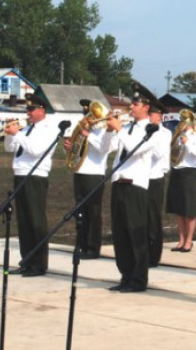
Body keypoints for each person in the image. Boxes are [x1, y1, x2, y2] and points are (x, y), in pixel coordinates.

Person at [103, 81, 161, 293]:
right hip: (119, 182)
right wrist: (110, 132)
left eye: (135, 103)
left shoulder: (152, 129)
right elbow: (106, 148)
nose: (131, 107)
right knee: (120, 234)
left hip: (135, 186)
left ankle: (138, 279)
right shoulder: (125, 128)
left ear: (146, 107)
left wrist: (118, 130)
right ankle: (125, 275)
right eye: (132, 103)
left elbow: (135, 149)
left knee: (136, 235)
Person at [3, 87, 59, 278]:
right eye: (27, 110)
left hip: (36, 177)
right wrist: (10, 134)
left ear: (42, 110)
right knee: (24, 222)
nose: (28, 113)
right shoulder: (26, 129)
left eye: (32, 109)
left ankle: (39, 264)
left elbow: (36, 150)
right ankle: (26, 260)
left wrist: (17, 134)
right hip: (20, 174)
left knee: (36, 221)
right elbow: (10, 148)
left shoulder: (49, 129)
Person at [63, 99, 112, 260]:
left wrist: (87, 135)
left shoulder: (103, 132)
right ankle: (81, 243)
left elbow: (104, 149)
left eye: (90, 116)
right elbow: (76, 152)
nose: (87, 119)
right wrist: (69, 148)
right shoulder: (84, 130)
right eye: (86, 115)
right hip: (80, 172)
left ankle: (92, 247)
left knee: (93, 212)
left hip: (94, 174)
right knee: (80, 212)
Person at [166, 110, 196, 253]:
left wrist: (187, 144)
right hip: (176, 170)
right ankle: (181, 239)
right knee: (179, 209)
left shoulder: (195, 136)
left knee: (189, 209)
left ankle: (189, 240)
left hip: (188, 172)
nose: (182, 124)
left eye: (184, 121)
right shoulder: (177, 135)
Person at [146, 98, 172, 267]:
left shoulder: (164, 133)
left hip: (155, 178)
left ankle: (154, 255)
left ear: (159, 116)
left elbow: (156, 154)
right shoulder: (144, 130)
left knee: (153, 218)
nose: (148, 117)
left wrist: (149, 134)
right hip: (140, 178)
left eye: (151, 114)